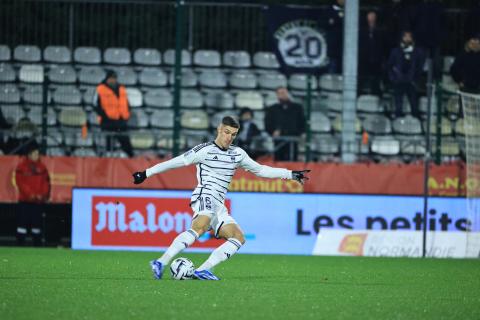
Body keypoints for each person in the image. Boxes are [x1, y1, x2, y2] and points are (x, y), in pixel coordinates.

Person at [132, 116, 310, 280]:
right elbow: (175, 162)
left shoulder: (238, 153)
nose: (229, 137)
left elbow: (261, 170)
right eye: (226, 132)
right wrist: (146, 173)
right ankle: (161, 262)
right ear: (219, 129)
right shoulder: (204, 150)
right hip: (205, 194)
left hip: (219, 204)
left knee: (238, 237)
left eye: (233, 134)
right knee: (199, 228)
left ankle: (203, 270)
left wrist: (291, 174)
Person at [14, 140, 50, 246]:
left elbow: (46, 183)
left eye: (38, 153)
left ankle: (37, 247)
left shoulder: (42, 167)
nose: (37, 155)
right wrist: (31, 195)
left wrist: (42, 195)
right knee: (22, 226)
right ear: (29, 155)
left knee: (37, 226)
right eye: (35, 153)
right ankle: (20, 246)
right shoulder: (21, 167)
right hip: (25, 201)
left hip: (37, 202)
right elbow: (20, 183)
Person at [93, 70, 134, 157]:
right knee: (108, 145)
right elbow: (95, 105)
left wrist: (127, 115)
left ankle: (130, 162)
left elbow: (127, 103)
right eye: (111, 78)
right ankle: (107, 163)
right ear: (107, 78)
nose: (113, 80)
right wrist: (104, 115)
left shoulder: (121, 88)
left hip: (121, 122)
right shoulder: (100, 89)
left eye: (114, 78)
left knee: (126, 145)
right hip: (107, 122)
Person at [387, 30, 426, 118]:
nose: (407, 38)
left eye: (409, 36)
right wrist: (393, 78)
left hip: (411, 82)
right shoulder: (395, 51)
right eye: (405, 36)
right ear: (402, 38)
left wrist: (415, 78)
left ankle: (416, 123)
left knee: (414, 105)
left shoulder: (417, 52)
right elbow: (389, 66)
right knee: (398, 106)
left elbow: (419, 66)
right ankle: (398, 123)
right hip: (398, 81)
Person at [264, 87, 305, 161]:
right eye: (279, 93)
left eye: (283, 93)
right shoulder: (272, 109)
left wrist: (298, 133)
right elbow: (268, 124)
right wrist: (273, 131)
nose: (282, 95)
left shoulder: (297, 108)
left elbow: (302, 123)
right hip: (278, 141)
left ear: (288, 93)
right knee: (279, 163)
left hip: (293, 140)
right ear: (277, 95)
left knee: (293, 163)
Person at [358, 10, 385, 95]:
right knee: (361, 79)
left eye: (373, 16)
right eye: (370, 16)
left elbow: (383, 45)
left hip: (376, 59)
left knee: (375, 80)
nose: (372, 18)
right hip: (364, 59)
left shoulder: (381, 30)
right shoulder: (362, 30)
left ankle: (376, 95)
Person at [325, 0, 345, 73]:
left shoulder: (350, 11)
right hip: (334, 46)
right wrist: (330, 22)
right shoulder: (329, 10)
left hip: (346, 46)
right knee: (333, 65)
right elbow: (322, 23)